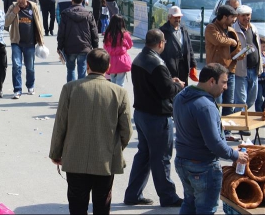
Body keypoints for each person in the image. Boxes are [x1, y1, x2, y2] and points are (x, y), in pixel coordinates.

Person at [49, 48, 133, 215]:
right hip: (105, 160)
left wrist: (56, 153)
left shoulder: (70, 88)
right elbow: (126, 130)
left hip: (75, 159)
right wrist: (114, 149)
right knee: (102, 205)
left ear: (87, 66)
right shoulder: (119, 92)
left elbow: (60, 126)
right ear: (108, 67)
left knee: (77, 205)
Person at [173, 63, 249, 214]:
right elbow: (214, 144)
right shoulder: (205, 106)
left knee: (189, 204)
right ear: (211, 81)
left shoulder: (181, 96)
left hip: (183, 161)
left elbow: (193, 125)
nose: (226, 87)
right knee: (206, 209)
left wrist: (217, 127)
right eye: (224, 82)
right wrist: (235, 155)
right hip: (202, 167)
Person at [124, 29, 184, 207]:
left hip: (142, 113)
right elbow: (166, 91)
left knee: (144, 155)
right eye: (164, 42)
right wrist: (177, 85)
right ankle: (167, 196)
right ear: (160, 43)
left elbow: (157, 85)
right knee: (161, 157)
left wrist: (169, 82)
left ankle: (133, 194)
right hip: (157, 116)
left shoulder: (140, 58)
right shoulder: (156, 63)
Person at [205, 5, 242, 141]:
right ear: (225, 17)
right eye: (232, 17)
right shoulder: (211, 28)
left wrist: (240, 54)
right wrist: (231, 41)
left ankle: (226, 133)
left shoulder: (231, 30)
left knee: (229, 102)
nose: (234, 20)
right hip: (215, 72)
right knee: (217, 102)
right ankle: (214, 131)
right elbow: (218, 40)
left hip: (229, 70)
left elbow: (237, 46)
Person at [5, 0, 44, 99]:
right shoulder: (13, 7)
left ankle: (30, 85)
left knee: (30, 67)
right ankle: (17, 89)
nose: (20, 0)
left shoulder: (33, 7)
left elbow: (38, 23)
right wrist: (14, 12)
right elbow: (6, 22)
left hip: (30, 42)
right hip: (16, 42)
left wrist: (41, 39)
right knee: (16, 66)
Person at [57, 0, 99, 82]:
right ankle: (81, 91)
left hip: (69, 46)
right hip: (84, 46)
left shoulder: (65, 14)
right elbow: (94, 31)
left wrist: (60, 46)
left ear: (72, 0)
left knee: (71, 69)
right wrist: (95, 47)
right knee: (82, 69)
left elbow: (61, 32)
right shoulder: (88, 14)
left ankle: (71, 92)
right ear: (82, 0)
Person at [233, 5, 263, 111]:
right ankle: (240, 125)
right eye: (243, 16)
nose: (246, 18)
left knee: (251, 99)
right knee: (241, 100)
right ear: (238, 16)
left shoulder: (253, 28)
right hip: (240, 71)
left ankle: (240, 117)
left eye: (248, 15)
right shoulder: (233, 30)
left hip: (254, 70)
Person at [159, 6, 198, 86]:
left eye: (179, 17)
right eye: (175, 17)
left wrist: (193, 65)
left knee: (183, 90)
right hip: (170, 68)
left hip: (183, 66)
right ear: (169, 17)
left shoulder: (183, 30)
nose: (177, 19)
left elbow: (189, 48)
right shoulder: (163, 31)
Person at [103, 15, 133, 87]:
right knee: (120, 81)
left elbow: (105, 46)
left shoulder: (108, 34)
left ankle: (112, 95)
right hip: (122, 60)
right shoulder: (125, 34)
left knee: (112, 79)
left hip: (111, 60)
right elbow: (130, 45)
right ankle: (119, 96)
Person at [256, 38, 265, 112]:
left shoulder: (264, 55)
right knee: (258, 98)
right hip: (258, 80)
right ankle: (259, 113)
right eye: (263, 46)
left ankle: (262, 110)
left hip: (264, 79)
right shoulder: (257, 54)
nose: (264, 49)